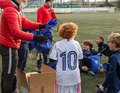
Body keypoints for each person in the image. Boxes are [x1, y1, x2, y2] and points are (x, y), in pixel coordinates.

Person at [0, 0, 48, 93]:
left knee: (8, 73)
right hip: (8, 46)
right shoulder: (11, 10)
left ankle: (10, 89)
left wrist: (40, 26)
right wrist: (35, 37)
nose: (25, 2)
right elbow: (15, 32)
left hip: (11, 45)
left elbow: (25, 22)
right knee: (9, 74)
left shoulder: (16, 9)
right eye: (24, 0)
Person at [49, 22, 83, 93]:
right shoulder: (76, 44)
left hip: (62, 76)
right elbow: (80, 57)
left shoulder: (57, 44)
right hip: (74, 75)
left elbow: (52, 59)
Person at [36, 0, 57, 70]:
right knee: (41, 49)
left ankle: (46, 65)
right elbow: (39, 21)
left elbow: (55, 20)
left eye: (52, 2)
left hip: (49, 32)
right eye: (51, 1)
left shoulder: (50, 10)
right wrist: (41, 31)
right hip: (43, 32)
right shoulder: (41, 9)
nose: (52, 3)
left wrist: (53, 12)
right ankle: (39, 66)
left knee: (48, 49)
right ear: (47, 1)